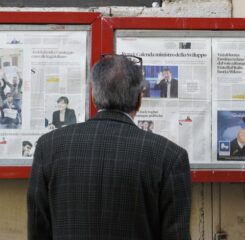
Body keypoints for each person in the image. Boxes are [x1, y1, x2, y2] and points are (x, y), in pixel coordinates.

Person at [28, 55, 192, 239]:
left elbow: (37, 229)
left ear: (93, 95)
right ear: (139, 98)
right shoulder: (169, 156)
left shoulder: (48, 147)